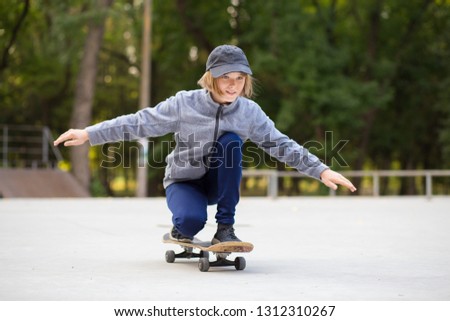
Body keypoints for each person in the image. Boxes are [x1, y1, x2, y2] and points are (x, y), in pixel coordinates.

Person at [54, 45, 356, 244]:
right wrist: (90, 134)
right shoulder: (184, 104)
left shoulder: (249, 112)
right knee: (190, 222)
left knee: (232, 143)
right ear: (211, 77)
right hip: (183, 182)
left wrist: (321, 170)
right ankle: (181, 227)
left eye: (240, 78)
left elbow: (280, 143)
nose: (233, 84)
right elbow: (139, 122)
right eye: (226, 77)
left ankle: (225, 229)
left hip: (217, 183)